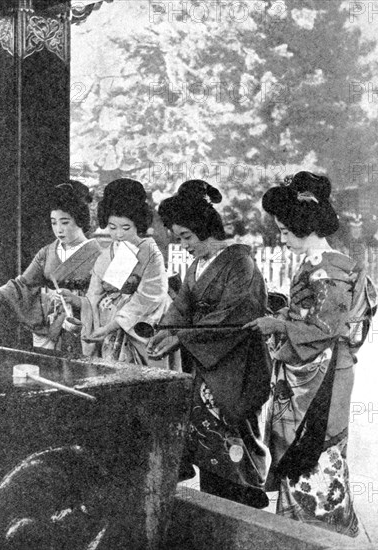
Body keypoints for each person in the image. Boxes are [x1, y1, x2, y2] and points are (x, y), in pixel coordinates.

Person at [243, 172, 377, 536]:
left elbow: (325, 329)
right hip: (309, 369)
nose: (282, 239)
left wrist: (280, 327)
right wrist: (282, 318)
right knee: (300, 452)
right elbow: (308, 317)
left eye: (286, 232)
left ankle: (327, 531)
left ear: (304, 226)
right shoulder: (318, 263)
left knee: (318, 451)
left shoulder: (331, 267)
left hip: (325, 373)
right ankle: (299, 528)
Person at [147, 180, 272, 508]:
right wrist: (166, 330)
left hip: (235, 361)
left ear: (205, 229)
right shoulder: (196, 265)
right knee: (207, 436)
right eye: (178, 237)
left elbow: (234, 317)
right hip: (206, 359)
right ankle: (216, 504)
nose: (182, 244)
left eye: (187, 236)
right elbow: (182, 306)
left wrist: (181, 337)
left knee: (232, 428)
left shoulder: (240, 263)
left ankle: (244, 500)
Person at [0, 181, 101, 353]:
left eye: (65, 222)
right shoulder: (47, 252)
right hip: (48, 323)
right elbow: (24, 283)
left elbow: (101, 299)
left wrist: (77, 302)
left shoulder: (98, 254)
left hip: (80, 324)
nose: (58, 229)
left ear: (80, 220)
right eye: (54, 223)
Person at [75, 178, 178, 369]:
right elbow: (93, 295)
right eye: (112, 228)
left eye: (126, 228)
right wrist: (93, 325)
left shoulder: (149, 251)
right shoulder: (107, 255)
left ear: (138, 224)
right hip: (108, 326)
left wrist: (111, 326)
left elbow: (151, 295)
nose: (119, 234)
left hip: (143, 323)